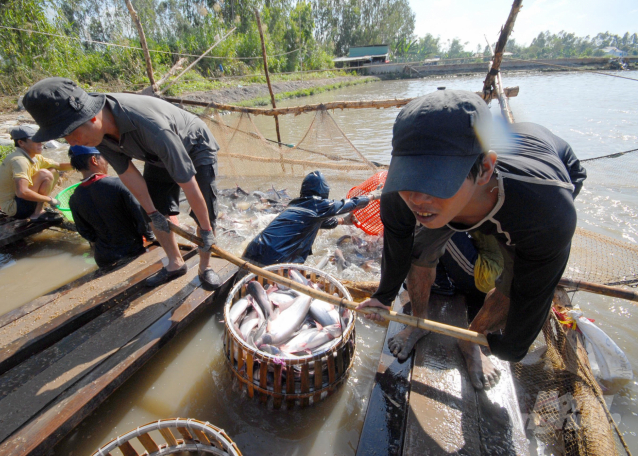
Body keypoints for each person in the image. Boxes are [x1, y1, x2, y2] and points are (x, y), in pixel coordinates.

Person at [358, 89, 586, 391]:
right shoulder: (400, 196)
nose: (416, 198)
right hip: (477, 183)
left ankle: (471, 341)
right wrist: (385, 296)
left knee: (513, 280)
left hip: (539, 176)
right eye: (407, 177)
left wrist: (511, 346)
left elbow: (532, 294)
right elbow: (399, 242)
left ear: (486, 169)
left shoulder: (545, 210)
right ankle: (419, 323)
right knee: (420, 249)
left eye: (435, 180)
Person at [22, 77, 221, 288]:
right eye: (65, 137)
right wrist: (153, 213)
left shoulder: (152, 128)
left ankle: (205, 267)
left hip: (194, 145)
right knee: (152, 207)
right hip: (154, 153)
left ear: (91, 118)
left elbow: (189, 185)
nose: (72, 143)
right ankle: (175, 263)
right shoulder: (98, 134)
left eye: (72, 133)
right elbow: (128, 174)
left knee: (205, 212)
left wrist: (206, 231)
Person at [242, 171, 378, 266]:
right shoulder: (318, 204)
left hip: (252, 251)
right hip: (272, 258)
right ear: (324, 191)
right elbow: (348, 204)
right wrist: (372, 196)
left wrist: (343, 221)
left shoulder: (294, 205)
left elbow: (315, 222)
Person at [67, 145, 155, 268]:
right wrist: (151, 237)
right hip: (132, 251)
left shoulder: (74, 198)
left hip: (103, 258)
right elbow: (141, 217)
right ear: (94, 160)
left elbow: (85, 231)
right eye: (105, 157)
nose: (107, 162)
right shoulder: (119, 184)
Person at [0, 125, 72, 222]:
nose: (40, 143)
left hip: (20, 202)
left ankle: (38, 209)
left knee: (53, 171)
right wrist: (49, 199)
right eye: (35, 140)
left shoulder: (34, 156)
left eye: (40, 140)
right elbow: (22, 192)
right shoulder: (19, 161)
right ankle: (37, 214)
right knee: (44, 174)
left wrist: (80, 163)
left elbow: (58, 165)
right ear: (21, 143)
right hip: (16, 209)